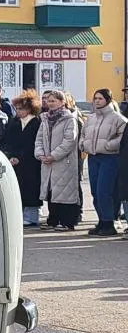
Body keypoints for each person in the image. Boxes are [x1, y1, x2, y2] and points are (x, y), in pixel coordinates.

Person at [79, 88, 125, 236]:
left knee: (104, 191)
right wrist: (83, 144)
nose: (97, 101)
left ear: (108, 100)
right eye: (95, 98)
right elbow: (83, 134)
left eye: (100, 98)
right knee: (94, 192)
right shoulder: (90, 118)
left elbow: (123, 138)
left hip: (109, 158)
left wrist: (108, 145)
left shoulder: (118, 118)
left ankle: (109, 222)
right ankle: (101, 221)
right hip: (93, 157)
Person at [36, 89, 80, 230]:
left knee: (65, 192)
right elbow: (39, 139)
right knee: (51, 191)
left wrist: (53, 155)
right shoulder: (45, 119)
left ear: (62, 102)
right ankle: (53, 220)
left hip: (63, 161)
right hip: (47, 161)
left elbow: (69, 141)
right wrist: (40, 154)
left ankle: (67, 222)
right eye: (49, 101)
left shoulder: (69, 119)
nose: (50, 103)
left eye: (54, 101)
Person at [0, 91, 42, 227]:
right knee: (19, 188)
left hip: (31, 161)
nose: (18, 111)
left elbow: (34, 143)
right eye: (16, 108)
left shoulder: (36, 122)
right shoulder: (14, 122)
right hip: (16, 161)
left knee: (31, 188)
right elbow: (7, 141)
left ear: (29, 108)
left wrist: (20, 157)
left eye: (21, 108)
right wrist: (11, 155)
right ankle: (22, 214)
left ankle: (32, 217)